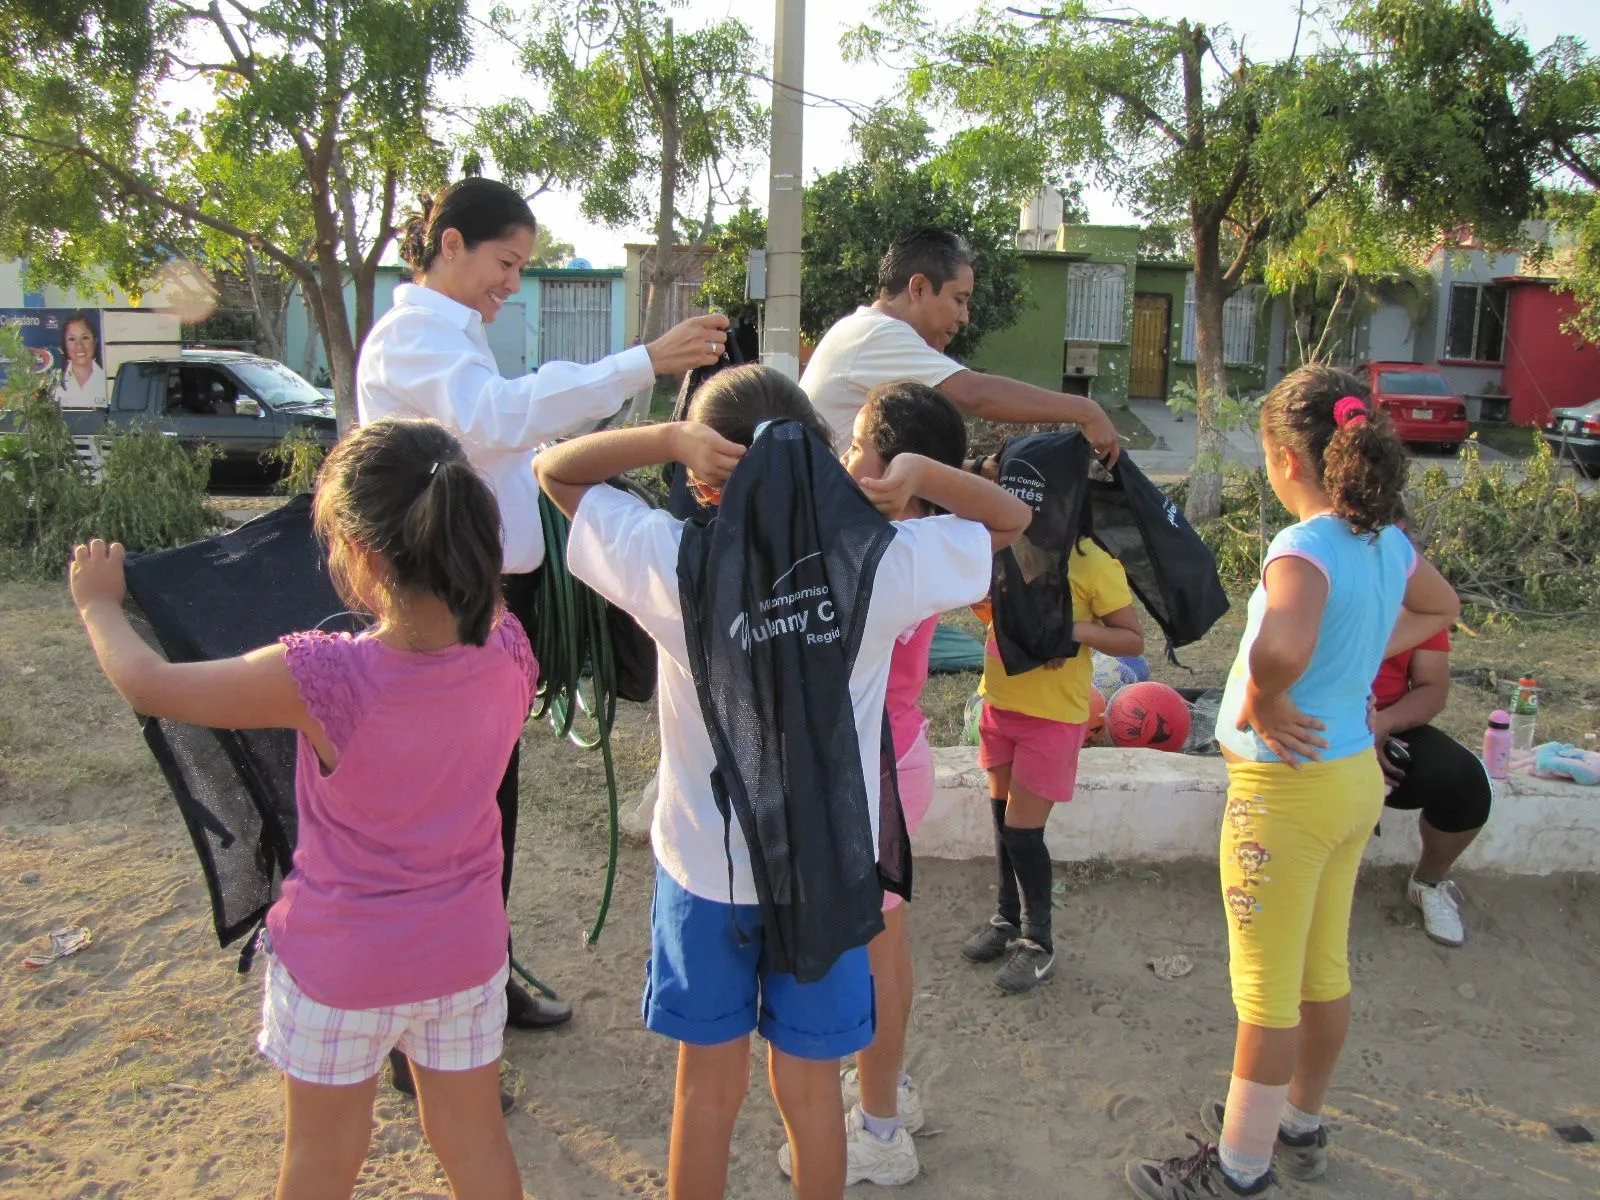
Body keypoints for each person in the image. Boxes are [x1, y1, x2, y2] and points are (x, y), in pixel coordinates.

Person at [535, 365, 1028, 1199]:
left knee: (707, 1088)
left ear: (701, 478)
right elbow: (1014, 520)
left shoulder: (670, 560)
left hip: (705, 873)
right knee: (808, 1096)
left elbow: (557, 472)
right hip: (829, 877)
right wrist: (921, 475)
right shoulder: (883, 565)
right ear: (821, 459)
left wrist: (664, 436)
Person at [68, 419, 534, 1200]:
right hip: (466, 954)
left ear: (364, 556)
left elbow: (149, 684)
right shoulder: (512, 649)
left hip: (338, 967)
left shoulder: (322, 677)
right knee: (474, 1140)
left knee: (320, 1166)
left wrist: (97, 606)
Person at [356, 177, 729, 1050]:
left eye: (520, 267)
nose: (510, 284)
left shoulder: (452, 340)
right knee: (451, 819)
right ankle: (427, 1024)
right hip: (437, 611)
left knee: (488, 813)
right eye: (505, 262)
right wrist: (643, 364)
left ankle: (482, 977)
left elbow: (507, 431)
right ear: (449, 243)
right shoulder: (413, 341)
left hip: (484, 607)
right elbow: (500, 421)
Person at [1125, 368, 1459, 1199]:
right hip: (1347, 781)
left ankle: (1240, 1169)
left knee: (1266, 996)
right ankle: (1298, 1123)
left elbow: (1278, 649)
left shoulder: (1302, 547)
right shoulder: (1383, 539)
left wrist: (1269, 695)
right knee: (1322, 971)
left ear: (1283, 458)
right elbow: (1441, 605)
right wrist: (1363, 639)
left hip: (1284, 796)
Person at [770, 381, 986, 1187]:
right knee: (885, 947)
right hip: (896, 763)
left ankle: (880, 1131)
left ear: (893, 464)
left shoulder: (886, 546)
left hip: (873, 777)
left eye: (856, 441)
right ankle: (886, 1095)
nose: (844, 454)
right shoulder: (927, 543)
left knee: (867, 960)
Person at [963, 484, 1145, 994]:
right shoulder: (1006, 545)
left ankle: (1038, 942)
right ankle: (1005, 920)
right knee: (1002, 823)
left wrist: (1072, 631)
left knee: (1023, 832)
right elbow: (992, 612)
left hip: (1053, 719)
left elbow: (1132, 640)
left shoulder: (1093, 564)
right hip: (1000, 705)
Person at [798, 225, 1121, 464]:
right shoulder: (878, 334)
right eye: (959, 300)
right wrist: (1085, 410)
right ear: (920, 289)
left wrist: (975, 469)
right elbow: (974, 393)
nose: (964, 317)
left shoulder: (864, 330)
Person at [1370, 627, 1488, 947]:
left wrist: (1382, 725)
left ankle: (1428, 883)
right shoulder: (1313, 579)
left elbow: (1432, 687)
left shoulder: (1419, 594)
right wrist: (1352, 739)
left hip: (1387, 719)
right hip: (1312, 721)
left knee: (1465, 783)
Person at [55, 312, 107, 408]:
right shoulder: (54, 382)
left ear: (95, 341)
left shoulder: (106, 379)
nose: (79, 346)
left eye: (85, 338)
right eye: (72, 339)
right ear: (65, 344)